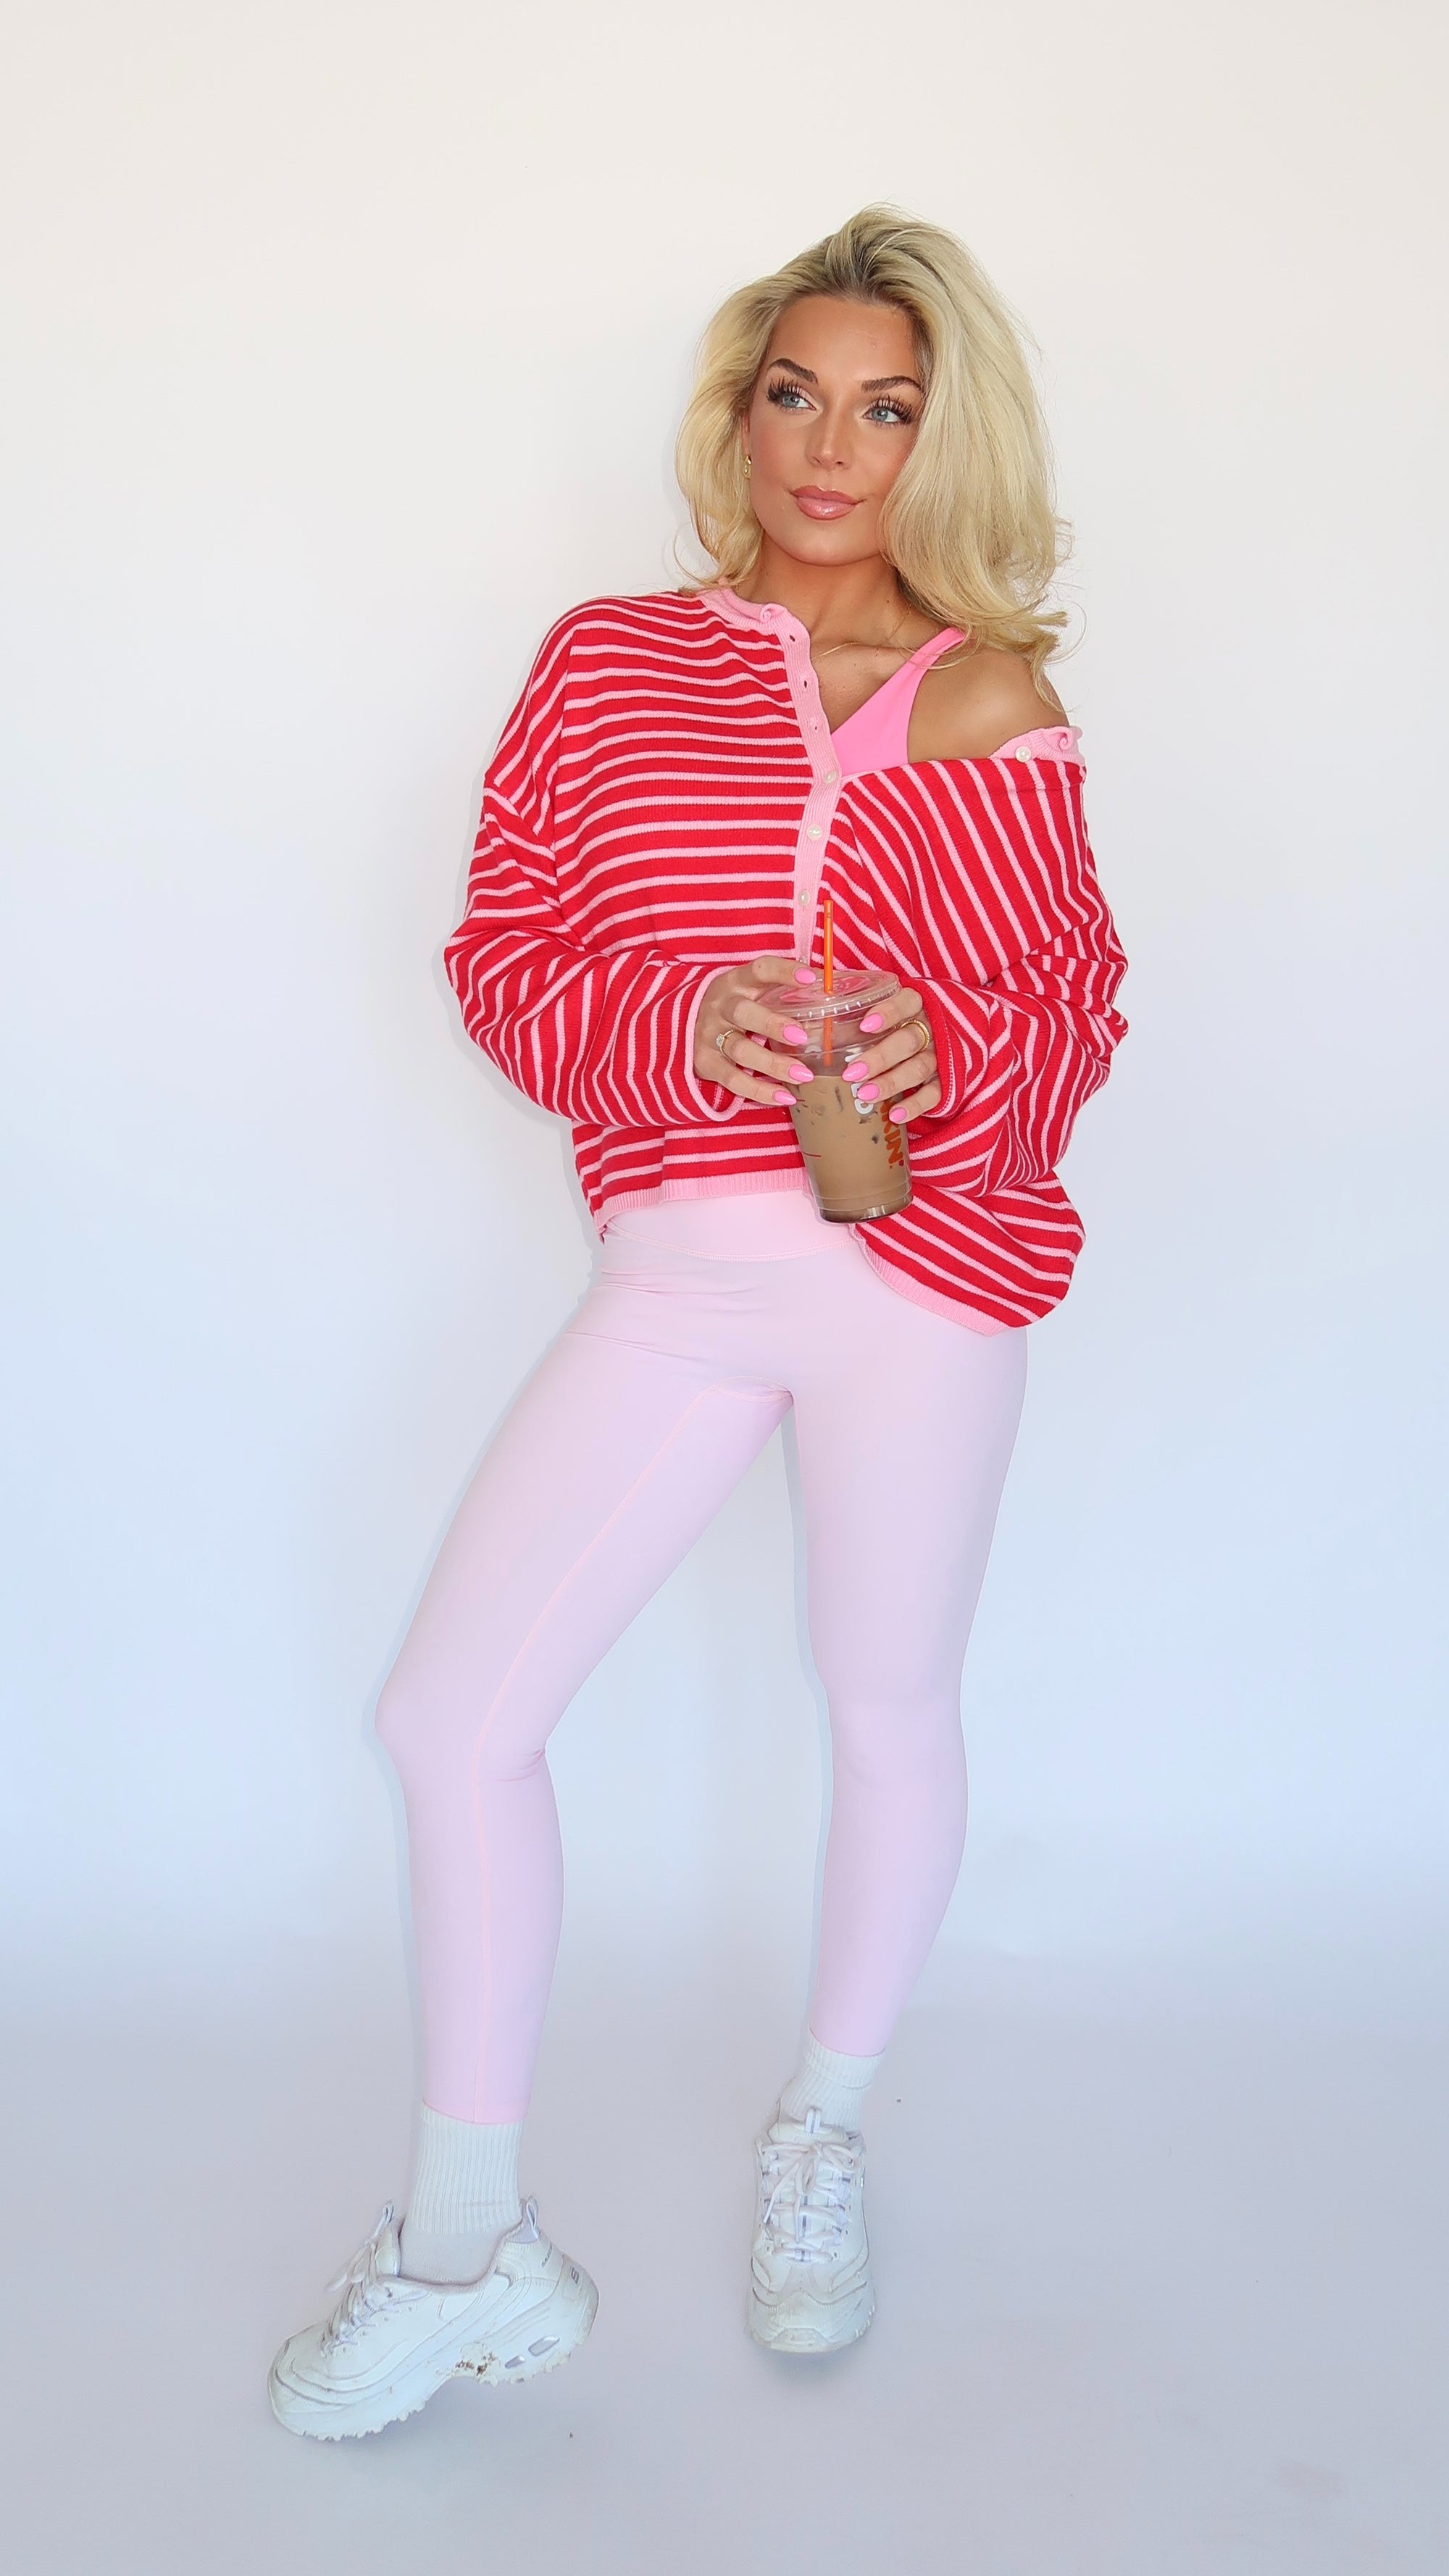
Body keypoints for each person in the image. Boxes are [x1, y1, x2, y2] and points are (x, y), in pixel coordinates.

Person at [268, 204, 1129, 2440]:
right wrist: (679, 1018)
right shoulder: (609, 665)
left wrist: (952, 1048)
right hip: (680, 1271)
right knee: (450, 1719)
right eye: (794, 393)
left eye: (889, 407)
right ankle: (471, 2243)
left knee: (885, 1700)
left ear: (944, 437)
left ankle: (820, 2121)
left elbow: (1073, 1016)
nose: (832, 446)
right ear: (738, 413)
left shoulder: (994, 694)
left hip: (921, 1281)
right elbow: (502, 957)